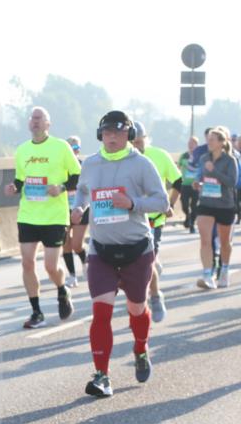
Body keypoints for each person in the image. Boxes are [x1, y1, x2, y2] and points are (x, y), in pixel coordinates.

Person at [70, 111, 168, 397]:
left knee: (137, 308)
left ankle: (141, 348)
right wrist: (78, 207)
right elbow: (82, 191)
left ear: (129, 135)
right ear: (100, 135)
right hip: (101, 250)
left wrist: (132, 203)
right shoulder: (90, 164)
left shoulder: (142, 164)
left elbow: (161, 202)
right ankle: (102, 375)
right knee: (101, 312)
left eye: (119, 132)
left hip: (137, 250)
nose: (112, 137)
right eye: (107, 132)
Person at [5, 107, 80, 328]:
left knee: (50, 266)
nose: (35, 121)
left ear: (48, 123)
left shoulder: (61, 147)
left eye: (39, 118)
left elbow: (78, 175)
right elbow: (21, 180)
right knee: (27, 262)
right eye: (32, 118)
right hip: (28, 215)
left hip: (54, 216)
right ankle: (36, 312)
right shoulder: (22, 150)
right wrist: (13, 187)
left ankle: (62, 289)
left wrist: (62, 188)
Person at [131, 122, 181, 323]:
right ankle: (139, 302)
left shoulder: (159, 155)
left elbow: (178, 181)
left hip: (153, 218)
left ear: (146, 138)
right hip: (129, 217)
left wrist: (170, 204)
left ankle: (154, 296)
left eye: (139, 142)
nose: (136, 146)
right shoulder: (122, 159)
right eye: (133, 142)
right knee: (134, 265)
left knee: (146, 261)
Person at [193, 126, 238, 289]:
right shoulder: (204, 158)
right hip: (206, 202)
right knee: (205, 241)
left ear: (221, 143)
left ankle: (224, 270)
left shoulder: (230, 160)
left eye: (212, 140)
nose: (209, 142)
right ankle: (207, 275)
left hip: (224, 205)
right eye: (208, 139)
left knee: (225, 242)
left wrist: (215, 172)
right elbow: (201, 176)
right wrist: (198, 183)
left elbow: (232, 182)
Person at [62, 135, 85, 286]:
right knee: (65, 243)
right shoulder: (60, 167)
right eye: (71, 148)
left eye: (76, 148)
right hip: (63, 208)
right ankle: (72, 275)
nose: (74, 151)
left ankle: (85, 262)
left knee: (77, 245)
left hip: (80, 208)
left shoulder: (83, 166)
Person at [178, 136, 200, 232]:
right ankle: (188, 216)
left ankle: (192, 224)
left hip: (196, 185)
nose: (190, 145)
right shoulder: (184, 156)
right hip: (185, 184)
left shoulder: (199, 156)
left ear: (196, 145)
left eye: (193, 143)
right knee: (184, 205)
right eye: (189, 143)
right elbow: (178, 168)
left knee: (194, 206)